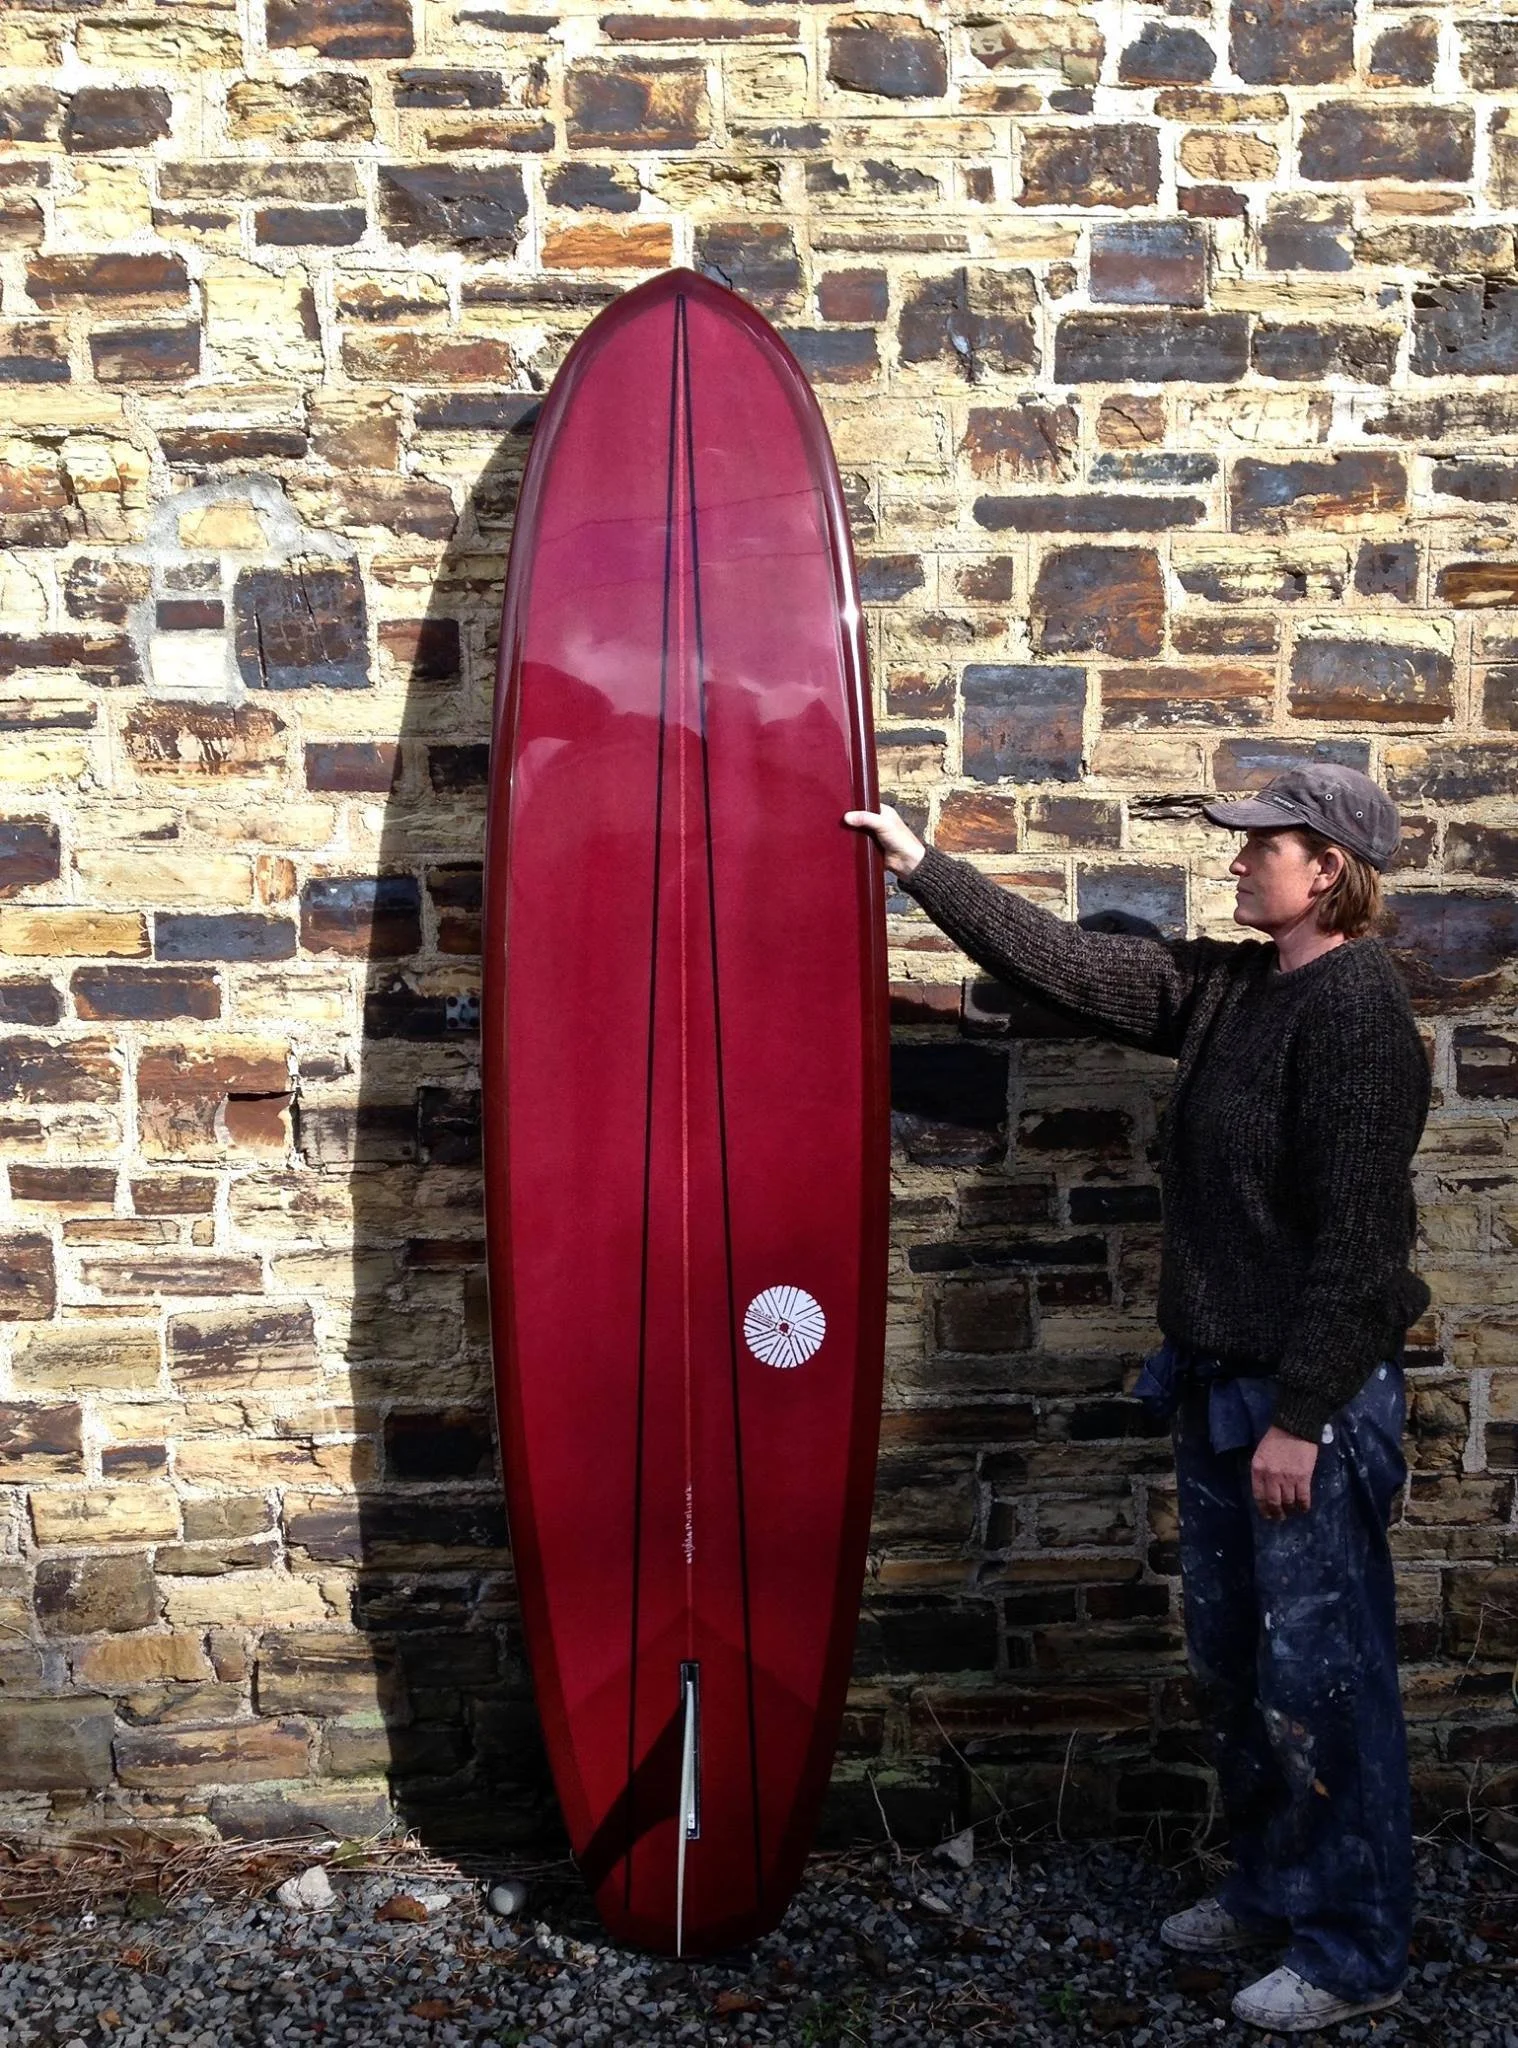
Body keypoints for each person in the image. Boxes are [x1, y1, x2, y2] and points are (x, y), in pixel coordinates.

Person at [846, 763, 1430, 2036]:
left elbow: (1361, 1244)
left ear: (1325, 866)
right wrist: (918, 863)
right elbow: (1069, 966)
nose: (1235, 863)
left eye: (1257, 847)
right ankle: (1275, 1887)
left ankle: (1354, 1946)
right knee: (1238, 1661)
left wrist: (1304, 1414)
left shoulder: (1360, 1016)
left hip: (1305, 1405)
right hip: (1223, 1386)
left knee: (1324, 1676)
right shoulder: (1232, 989)